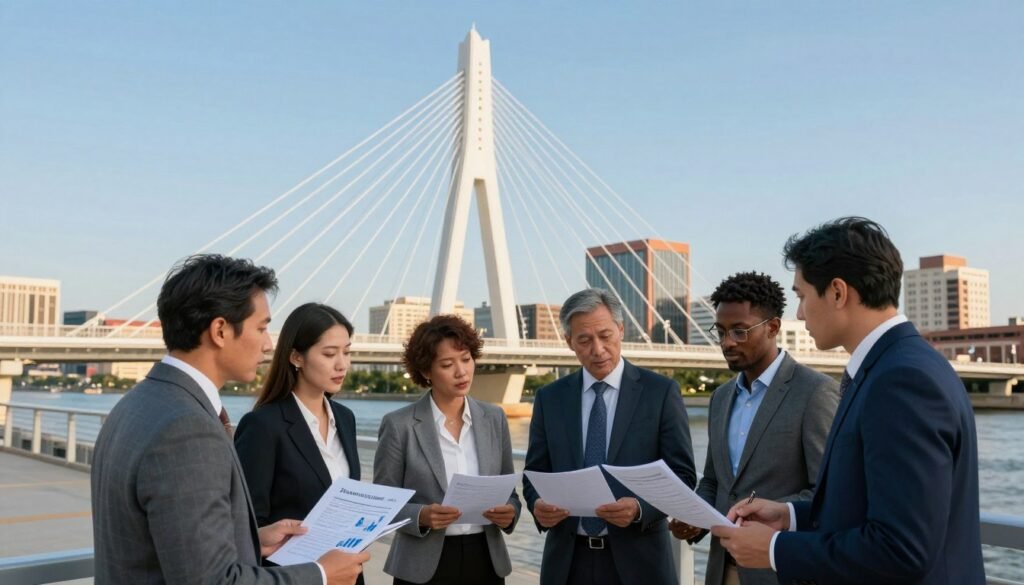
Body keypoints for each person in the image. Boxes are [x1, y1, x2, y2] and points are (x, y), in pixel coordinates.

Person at [711, 217, 986, 584]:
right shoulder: (895, 366)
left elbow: (902, 548)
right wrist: (791, 516)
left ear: (838, 292)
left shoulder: (901, 381)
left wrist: (775, 549)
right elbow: (866, 509)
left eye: (802, 296)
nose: (800, 313)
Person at [91, 254, 367, 585]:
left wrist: (252, 539)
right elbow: (213, 581)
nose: (268, 345)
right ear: (220, 330)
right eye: (262, 327)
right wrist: (320, 574)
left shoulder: (138, 404)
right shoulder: (187, 430)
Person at [669, 272, 838, 585]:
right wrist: (694, 519)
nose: (727, 342)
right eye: (720, 331)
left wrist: (771, 516)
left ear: (773, 327)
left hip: (785, 572)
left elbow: (830, 495)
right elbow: (715, 481)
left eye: (739, 331)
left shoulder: (815, 392)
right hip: (722, 570)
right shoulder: (720, 398)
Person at [523, 288, 696, 585]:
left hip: (641, 564)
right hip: (566, 564)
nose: (598, 349)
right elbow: (533, 474)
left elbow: (682, 474)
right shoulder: (549, 398)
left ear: (620, 330)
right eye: (584, 340)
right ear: (569, 342)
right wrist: (538, 504)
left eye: (605, 335)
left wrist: (640, 508)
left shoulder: (661, 392)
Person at [373, 314, 521, 585]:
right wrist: (422, 516)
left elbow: (509, 492)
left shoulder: (494, 418)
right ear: (427, 372)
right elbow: (382, 505)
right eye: (447, 364)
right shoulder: (399, 425)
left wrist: (510, 512)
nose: (461, 371)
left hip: (486, 561)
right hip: (422, 566)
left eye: (466, 359)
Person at [234, 303, 364, 583]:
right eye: (329, 354)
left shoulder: (346, 418)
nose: (342, 364)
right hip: (293, 576)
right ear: (296, 357)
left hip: (346, 574)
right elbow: (245, 521)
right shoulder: (263, 425)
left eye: (347, 352)